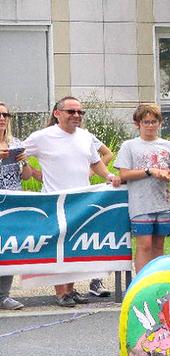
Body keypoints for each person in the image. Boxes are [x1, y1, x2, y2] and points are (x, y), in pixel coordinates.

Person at [22, 96, 122, 307]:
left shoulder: (85, 137)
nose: (76, 116)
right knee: (59, 246)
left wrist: (109, 176)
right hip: (55, 201)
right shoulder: (42, 137)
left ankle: (70, 289)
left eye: (80, 112)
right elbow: (18, 154)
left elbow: (96, 163)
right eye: (71, 112)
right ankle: (61, 293)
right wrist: (32, 172)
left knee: (74, 246)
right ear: (57, 114)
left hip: (81, 200)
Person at [114, 104, 170, 273]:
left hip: (163, 202)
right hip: (141, 203)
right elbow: (123, 174)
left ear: (160, 123)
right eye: (146, 122)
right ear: (138, 124)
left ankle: (156, 279)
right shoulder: (129, 146)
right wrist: (149, 171)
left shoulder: (169, 146)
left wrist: (165, 175)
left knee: (159, 245)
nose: (150, 125)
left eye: (154, 122)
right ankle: (141, 282)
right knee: (144, 245)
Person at [0, 101, 32, 310]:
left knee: (9, 247)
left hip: (12, 202)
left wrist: (25, 161)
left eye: (5, 115)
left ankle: (3, 295)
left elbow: (27, 177)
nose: (2, 118)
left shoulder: (15, 142)